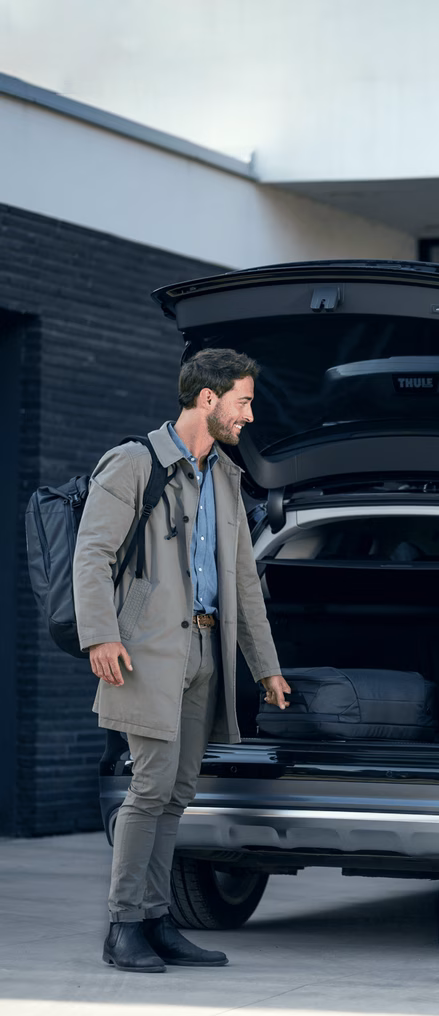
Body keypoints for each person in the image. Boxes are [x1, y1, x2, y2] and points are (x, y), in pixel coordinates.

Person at [73, 348, 291, 972]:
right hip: (143, 650)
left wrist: (265, 666)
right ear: (208, 399)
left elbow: (244, 580)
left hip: (204, 648)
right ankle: (123, 927)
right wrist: (101, 636)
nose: (250, 414)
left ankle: (157, 918)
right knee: (150, 786)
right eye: (244, 401)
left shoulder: (225, 474)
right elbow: (93, 555)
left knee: (177, 791)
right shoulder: (135, 463)